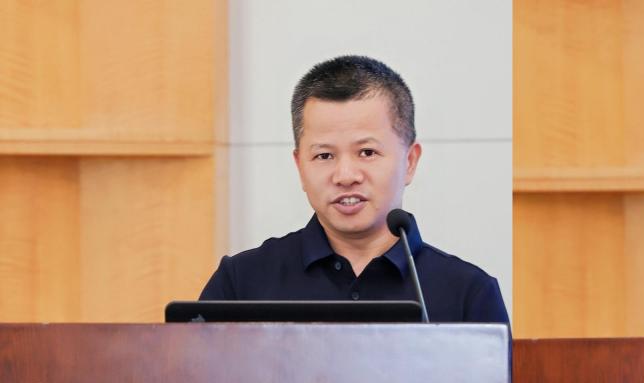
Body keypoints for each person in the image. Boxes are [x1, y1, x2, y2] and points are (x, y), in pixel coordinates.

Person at [199, 56, 508, 323]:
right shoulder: (241, 283)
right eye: (324, 156)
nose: (345, 176)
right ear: (300, 166)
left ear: (410, 161)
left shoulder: (469, 294)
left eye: (367, 152)